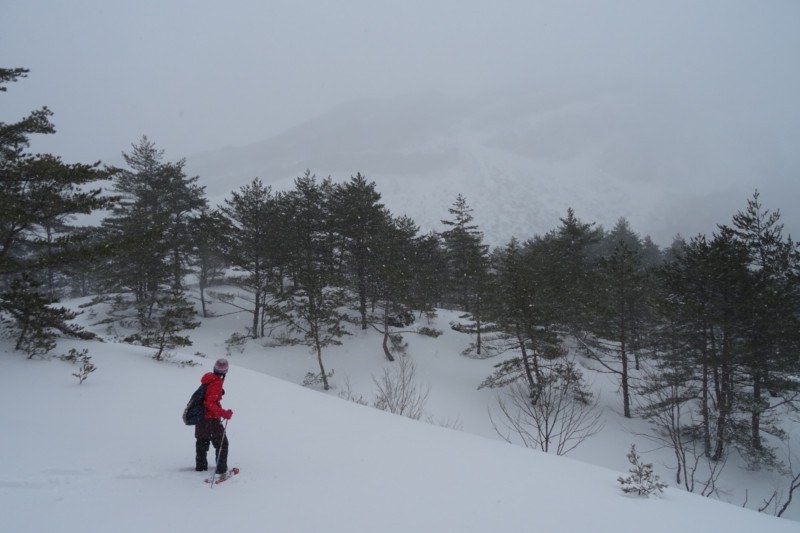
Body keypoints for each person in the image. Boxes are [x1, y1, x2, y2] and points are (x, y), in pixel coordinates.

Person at [195, 358, 234, 474]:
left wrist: (219, 392)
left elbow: (206, 396)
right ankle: (221, 470)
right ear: (225, 371)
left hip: (200, 417)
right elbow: (209, 403)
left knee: (202, 442)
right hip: (210, 419)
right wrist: (223, 413)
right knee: (222, 444)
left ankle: (200, 468)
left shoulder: (208, 378)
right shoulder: (216, 382)